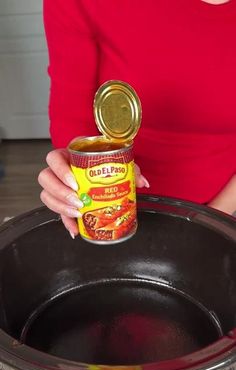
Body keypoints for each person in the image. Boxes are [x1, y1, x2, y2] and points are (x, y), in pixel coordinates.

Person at [38, 0, 236, 238]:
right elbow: (71, 111)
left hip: (226, 209)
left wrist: (208, 221)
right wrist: (74, 173)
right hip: (110, 207)